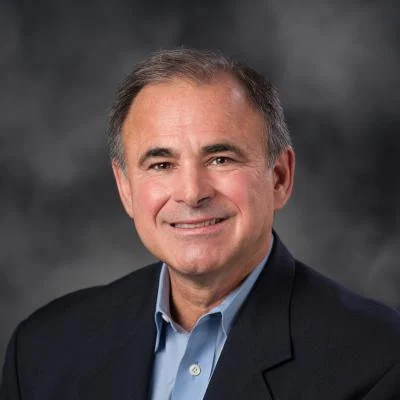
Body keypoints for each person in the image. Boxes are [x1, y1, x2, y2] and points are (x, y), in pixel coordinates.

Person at [1, 48, 399, 400]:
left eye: (220, 159)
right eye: (161, 164)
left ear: (279, 177)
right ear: (125, 188)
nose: (191, 193)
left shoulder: (380, 360)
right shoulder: (43, 349)